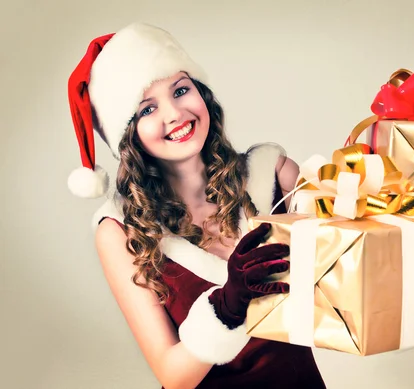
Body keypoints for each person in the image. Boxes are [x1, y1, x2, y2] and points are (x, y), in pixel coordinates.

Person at [66, 22, 327, 388]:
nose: (174, 113)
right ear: (127, 135)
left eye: (181, 89)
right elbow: (174, 377)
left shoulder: (276, 176)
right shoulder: (120, 230)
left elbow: (348, 281)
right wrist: (227, 305)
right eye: (147, 109)